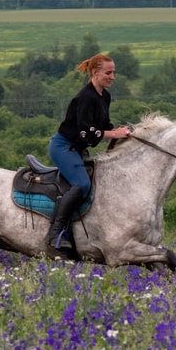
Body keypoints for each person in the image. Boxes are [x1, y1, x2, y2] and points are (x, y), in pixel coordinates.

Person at [45, 53, 132, 252]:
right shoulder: (85, 97)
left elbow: (103, 124)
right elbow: (86, 132)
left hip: (78, 147)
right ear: (95, 73)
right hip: (64, 147)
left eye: (113, 72)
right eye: (108, 73)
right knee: (82, 184)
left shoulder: (105, 96)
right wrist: (113, 134)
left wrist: (119, 131)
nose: (112, 77)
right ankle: (55, 232)